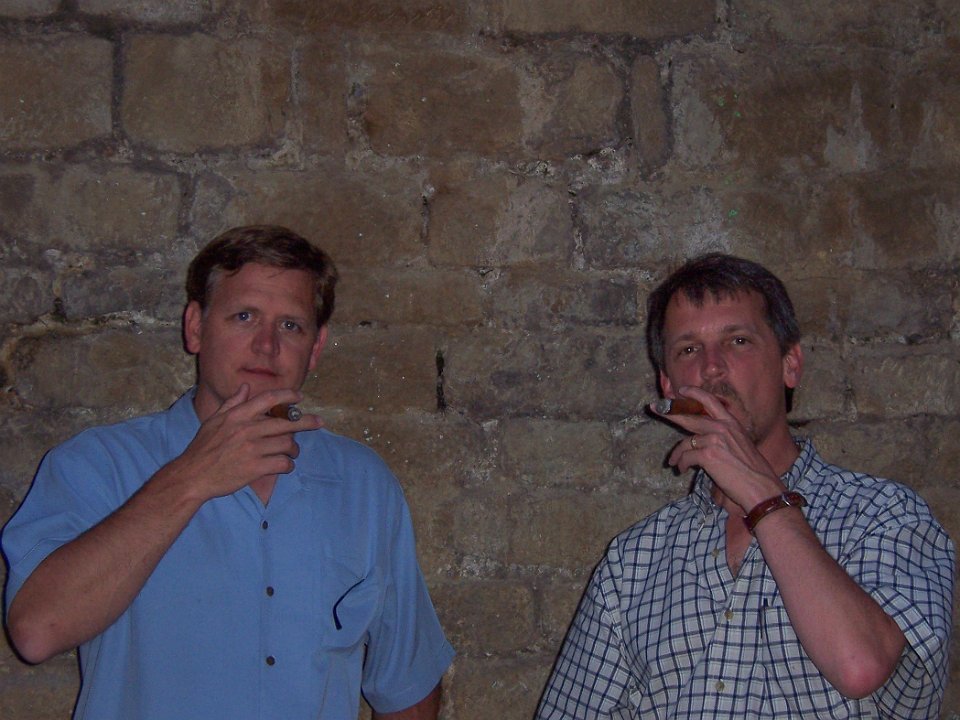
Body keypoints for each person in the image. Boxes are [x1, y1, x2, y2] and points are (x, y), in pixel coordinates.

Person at [2, 225, 454, 719]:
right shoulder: (98, 465)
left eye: (290, 326)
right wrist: (192, 476)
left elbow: (407, 683)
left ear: (316, 347)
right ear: (195, 327)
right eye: (244, 316)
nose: (266, 345)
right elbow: (36, 632)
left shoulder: (363, 486)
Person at [536, 253, 954, 718]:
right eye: (689, 350)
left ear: (790, 364)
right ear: (668, 385)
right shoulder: (632, 561)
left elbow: (860, 667)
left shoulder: (883, 515)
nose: (712, 368)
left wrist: (763, 496)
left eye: (738, 341)